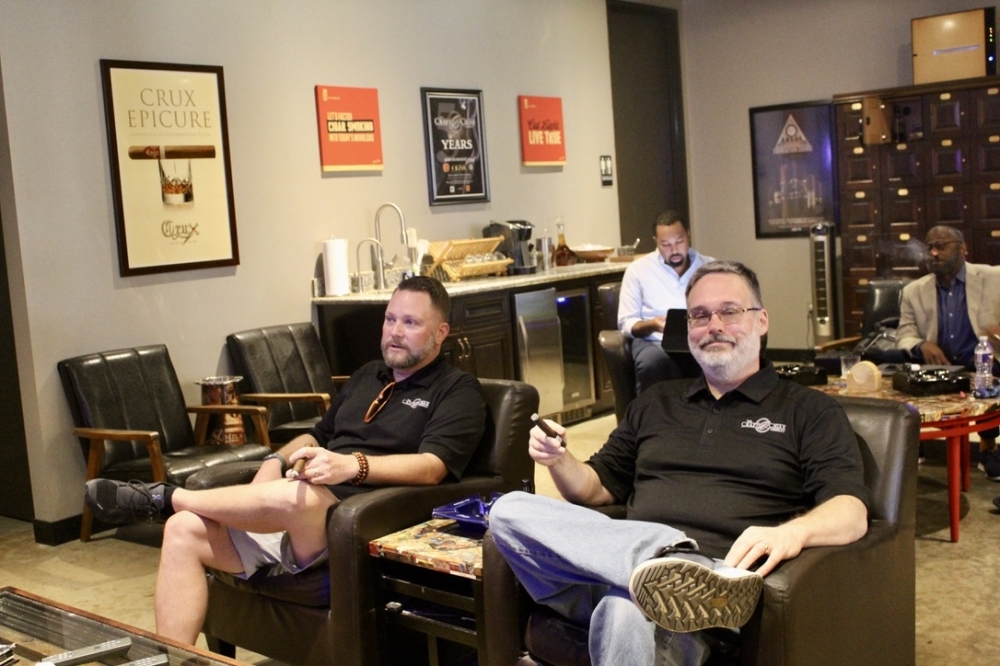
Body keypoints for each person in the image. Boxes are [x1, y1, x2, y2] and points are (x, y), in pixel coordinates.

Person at [489, 260, 869, 666]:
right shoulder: (657, 401)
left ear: (761, 321)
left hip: (715, 598)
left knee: (626, 608)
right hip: (620, 577)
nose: (713, 325)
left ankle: (672, 573)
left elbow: (851, 512)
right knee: (508, 510)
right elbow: (594, 487)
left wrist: (792, 534)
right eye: (700, 316)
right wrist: (559, 459)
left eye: (729, 311)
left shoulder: (808, 411)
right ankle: (659, 562)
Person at [83, 275, 486, 646]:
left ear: (440, 332)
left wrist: (354, 466)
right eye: (389, 319)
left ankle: (167, 496)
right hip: (293, 503)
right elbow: (319, 434)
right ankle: (175, 656)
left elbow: (433, 465)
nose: (395, 332)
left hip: (349, 521)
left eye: (411, 323)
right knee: (184, 529)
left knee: (297, 497)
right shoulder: (368, 375)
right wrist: (275, 459)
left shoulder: (457, 390)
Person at [895, 225, 1000, 476]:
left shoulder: (994, 278)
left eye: (941, 246)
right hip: (939, 366)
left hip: (986, 360)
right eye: (930, 247)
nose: (933, 253)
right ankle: (913, 443)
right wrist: (922, 344)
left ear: (963, 248)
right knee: (907, 377)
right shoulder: (913, 291)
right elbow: (904, 335)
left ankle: (988, 446)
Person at [618, 210, 714, 393]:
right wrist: (652, 325)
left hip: (699, 338)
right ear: (656, 241)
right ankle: (649, 419)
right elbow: (625, 322)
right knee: (653, 363)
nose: (675, 250)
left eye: (679, 242)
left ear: (688, 234)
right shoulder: (638, 270)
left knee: (718, 360)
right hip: (653, 341)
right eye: (666, 244)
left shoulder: (709, 267)